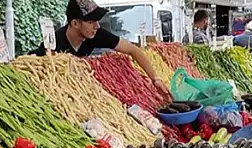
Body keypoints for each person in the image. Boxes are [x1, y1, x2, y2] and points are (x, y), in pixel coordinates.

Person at [32, 0, 171, 98]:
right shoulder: (54, 42)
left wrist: (155, 79)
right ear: (75, 23)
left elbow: (133, 50)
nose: (97, 26)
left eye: (97, 21)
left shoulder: (96, 34)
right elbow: (40, 70)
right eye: (91, 21)